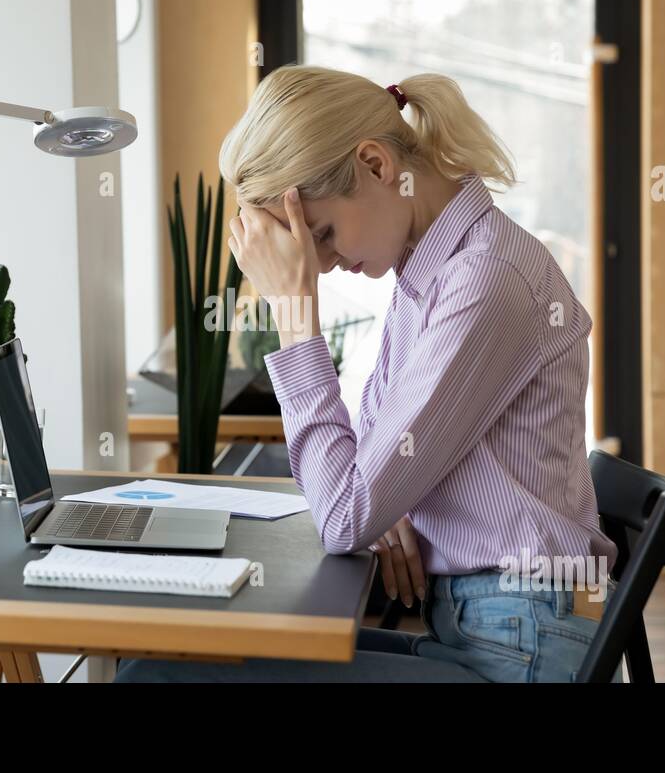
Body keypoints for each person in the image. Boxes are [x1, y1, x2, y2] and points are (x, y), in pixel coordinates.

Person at [116, 66, 619, 682]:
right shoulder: (430, 276)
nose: (322, 267)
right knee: (168, 664)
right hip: (489, 631)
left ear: (377, 165)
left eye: (322, 235)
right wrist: (391, 504)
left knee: (162, 678)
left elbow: (344, 513)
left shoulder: (485, 279)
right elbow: (363, 489)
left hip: (521, 649)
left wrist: (295, 317)